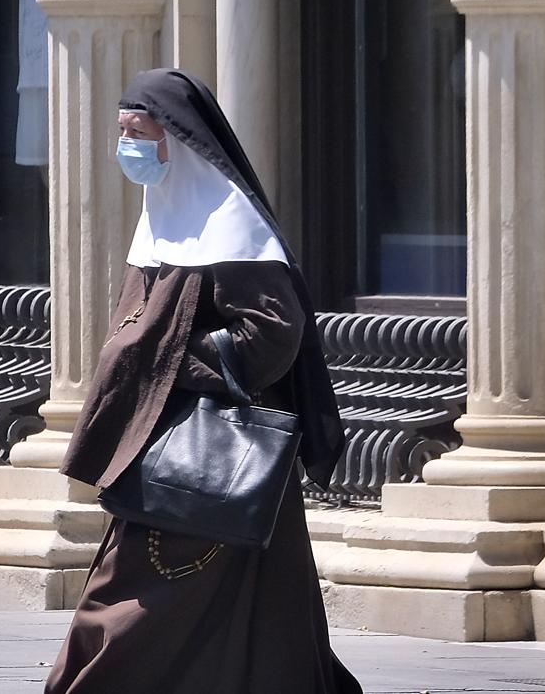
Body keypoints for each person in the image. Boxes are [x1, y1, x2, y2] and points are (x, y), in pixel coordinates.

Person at [45, 69, 362, 694]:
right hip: (166, 446)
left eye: (139, 132)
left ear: (179, 140)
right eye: (122, 132)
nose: (127, 147)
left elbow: (274, 331)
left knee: (133, 592)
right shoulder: (166, 217)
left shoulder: (230, 224)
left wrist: (175, 367)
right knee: (247, 602)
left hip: (210, 454)